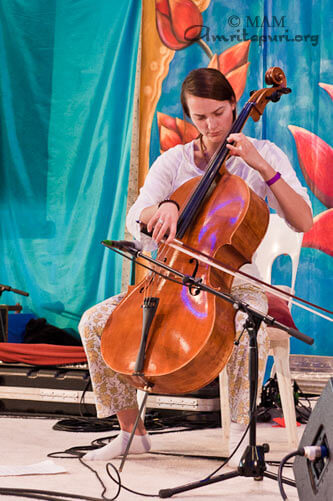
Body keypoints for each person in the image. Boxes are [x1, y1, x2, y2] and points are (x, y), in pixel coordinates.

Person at [79, 68, 312, 464]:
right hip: (174, 277)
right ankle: (130, 430)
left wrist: (261, 167)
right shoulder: (174, 161)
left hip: (236, 278)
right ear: (189, 117)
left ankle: (240, 434)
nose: (211, 125)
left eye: (219, 113)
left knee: (238, 323)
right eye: (200, 118)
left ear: (235, 105)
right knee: (94, 322)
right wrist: (165, 206)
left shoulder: (265, 153)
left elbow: (304, 220)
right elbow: (136, 215)